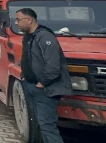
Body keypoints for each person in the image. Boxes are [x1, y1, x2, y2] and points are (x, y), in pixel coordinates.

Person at [16, 8, 72, 143]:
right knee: (40, 125)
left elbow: (53, 66)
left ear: (29, 20)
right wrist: (24, 77)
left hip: (45, 89)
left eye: (18, 19)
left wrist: (41, 84)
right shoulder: (28, 37)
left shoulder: (45, 36)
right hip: (31, 86)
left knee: (47, 127)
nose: (16, 23)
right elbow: (27, 59)